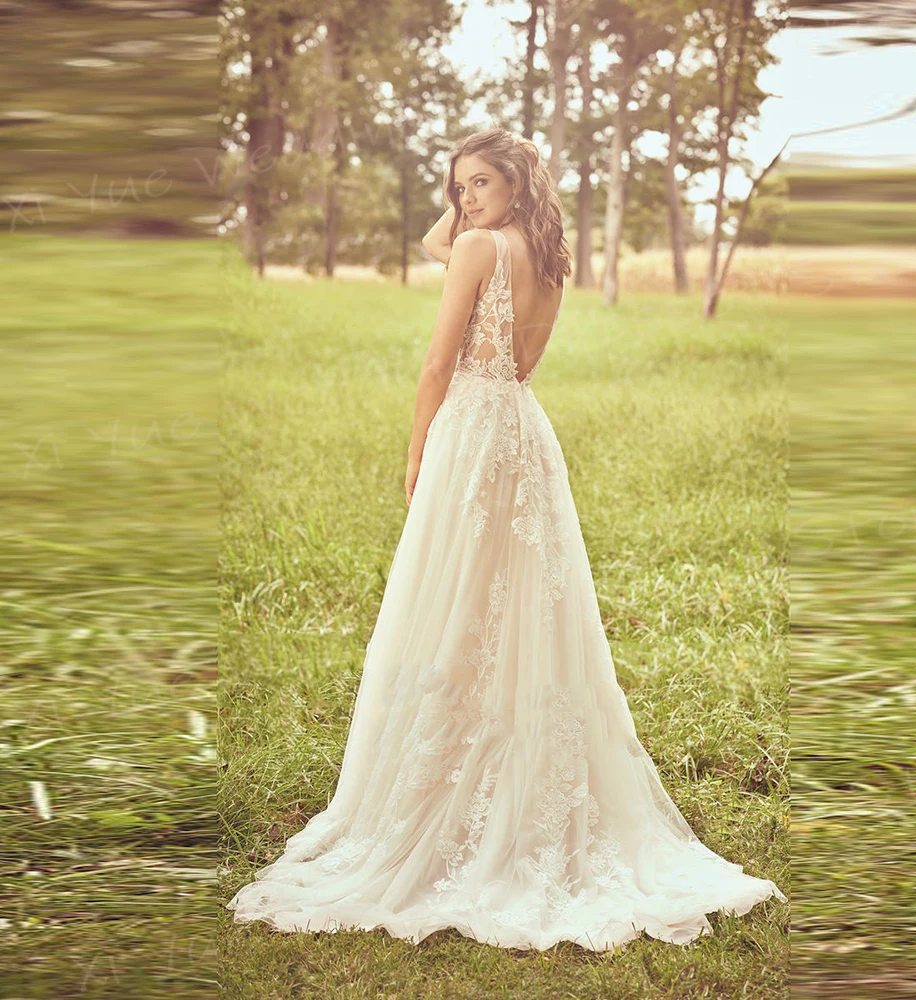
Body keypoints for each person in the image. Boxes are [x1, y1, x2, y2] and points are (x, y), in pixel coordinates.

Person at [226, 127, 786, 952]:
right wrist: (477, 196)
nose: (465, 203)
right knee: (519, 610)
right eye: (458, 188)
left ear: (517, 184)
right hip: (523, 431)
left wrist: (415, 452)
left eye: (481, 184)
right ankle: (503, 766)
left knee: (456, 604)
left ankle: (446, 789)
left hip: (470, 433)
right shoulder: (550, 256)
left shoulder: (478, 249)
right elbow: (493, 310)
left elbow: (434, 363)